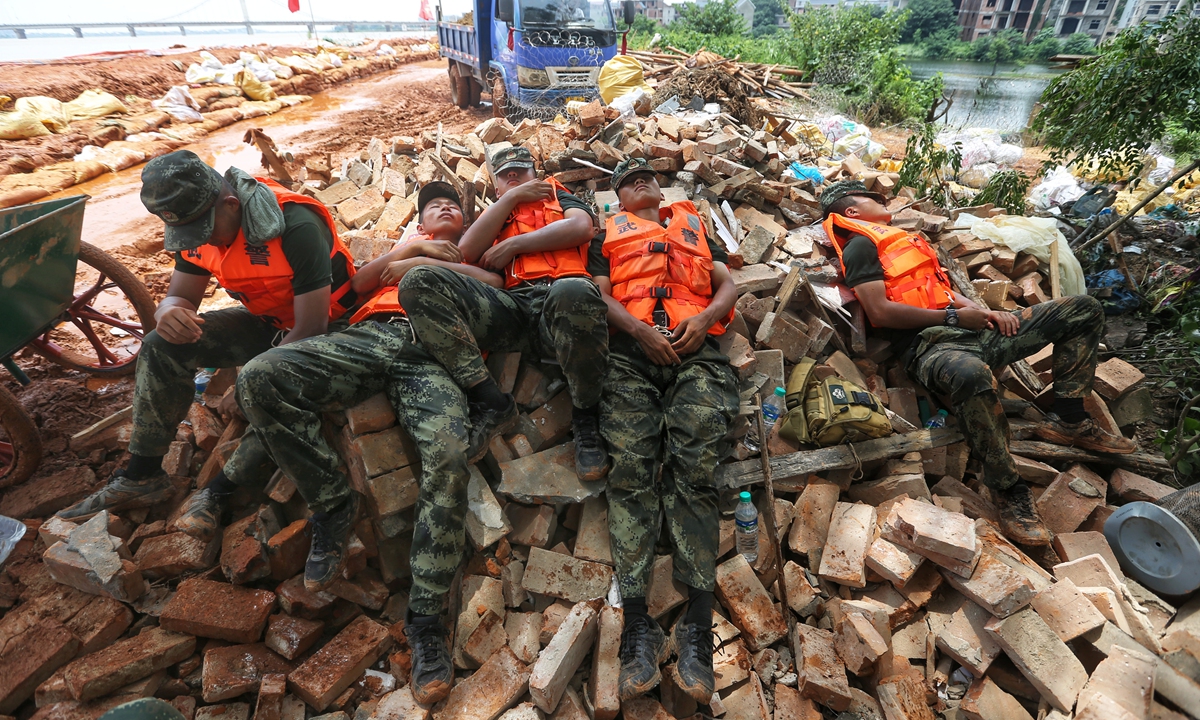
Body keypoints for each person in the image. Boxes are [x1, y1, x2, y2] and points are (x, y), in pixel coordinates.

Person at [216, 182, 496, 704]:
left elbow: (496, 285)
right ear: (418, 221)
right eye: (432, 205)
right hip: (369, 335)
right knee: (258, 377)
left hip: (432, 356)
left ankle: (425, 622)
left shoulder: (475, 247)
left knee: (450, 454)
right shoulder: (406, 243)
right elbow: (356, 285)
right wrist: (406, 251)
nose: (444, 208)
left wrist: (428, 263)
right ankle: (332, 503)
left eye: (454, 205)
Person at [821, 180, 1136, 546]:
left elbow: (940, 290)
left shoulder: (900, 242)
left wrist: (984, 312)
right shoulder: (861, 245)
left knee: (1083, 309)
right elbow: (879, 311)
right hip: (931, 347)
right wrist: (954, 318)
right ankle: (1008, 488)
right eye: (873, 197)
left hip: (971, 331)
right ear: (852, 211)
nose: (883, 199)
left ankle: (1069, 419)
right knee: (970, 374)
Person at [59, 150, 357, 522]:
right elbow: (181, 296)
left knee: (265, 390)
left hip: (330, 328)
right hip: (270, 323)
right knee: (160, 345)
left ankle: (221, 490)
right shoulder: (196, 227)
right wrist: (168, 312)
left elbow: (312, 325)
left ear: (231, 204)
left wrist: (249, 381)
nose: (202, 241)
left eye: (205, 230)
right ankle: (142, 475)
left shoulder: (294, 223)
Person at [592, 158, 738, 703]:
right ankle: (637, 626)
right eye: (627, 179)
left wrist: (703, 320)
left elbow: (727, 285)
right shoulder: (605, 235)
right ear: (618, 199)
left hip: (696, 352)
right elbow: (599, 295)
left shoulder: (694, 226)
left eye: (647, 175)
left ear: (660, 187)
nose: (640, 180)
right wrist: (638, 331)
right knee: (630, 470)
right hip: (630, 354)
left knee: (696, 467)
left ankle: (697, 626)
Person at [396, 146, 610, 479]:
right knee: (418, 280)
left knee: (575, 290)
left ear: (536, 176)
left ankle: (586, 417)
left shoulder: (559, 196)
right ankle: (489, 399)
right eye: (505, 174)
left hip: (562, 305)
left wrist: (513, 244)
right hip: (513, 308)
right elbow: (466, 253)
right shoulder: (495, 213)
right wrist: (510, 199)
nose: (513, 175)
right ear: (495, 187)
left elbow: (581, 228)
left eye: (520, 170)